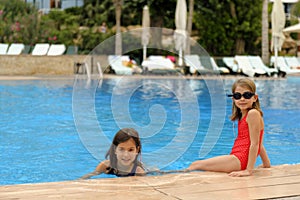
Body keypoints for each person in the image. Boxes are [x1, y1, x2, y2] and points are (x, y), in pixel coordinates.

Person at [187, 78, 271, 177]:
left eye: (247, 95)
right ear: (233, 99)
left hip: (240, 159)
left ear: (255, 98)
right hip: (237, 157)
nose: (242, 99)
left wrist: (249, 170)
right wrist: (266, 164)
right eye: (237, 96)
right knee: (196, 165)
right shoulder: (244, 115)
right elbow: (259, 142)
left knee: (195, 165)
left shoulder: (253, 113)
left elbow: (255, 144)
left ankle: (175, 178)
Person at [80, 128, 145, 179]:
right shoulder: (105, 166)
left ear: (137, 150)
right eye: (121, 149)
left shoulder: (138, 171)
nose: (126, 155)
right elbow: (86, 178)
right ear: (115, 149)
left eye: (131, 150)